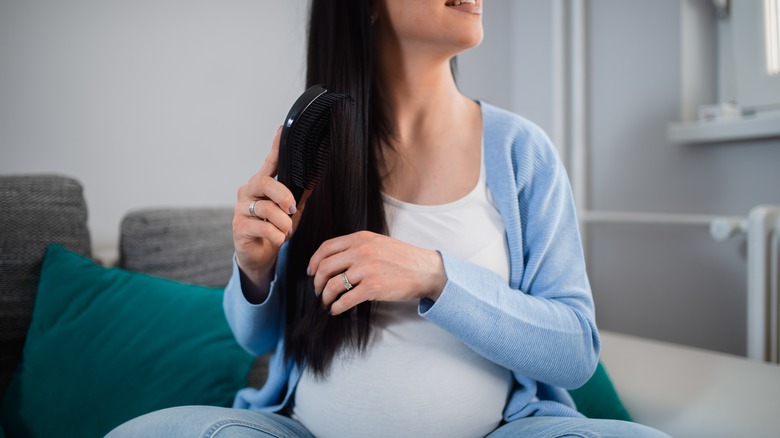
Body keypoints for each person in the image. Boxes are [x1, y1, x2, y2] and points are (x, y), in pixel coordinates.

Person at [108, 0, 670, 436]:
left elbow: (573, 352)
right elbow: (253, 338)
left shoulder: (522, 151)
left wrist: (434, 275)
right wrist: (254, 270)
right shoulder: (313, 145)